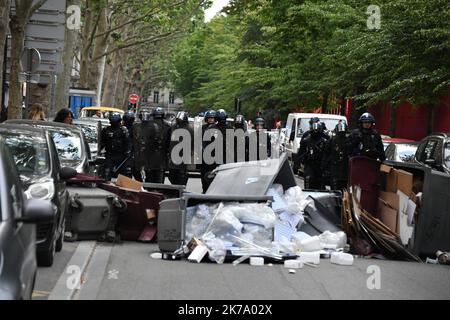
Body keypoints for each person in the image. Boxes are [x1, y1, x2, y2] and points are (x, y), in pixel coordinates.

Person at [134, 107, 171, 183]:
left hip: (151, 155)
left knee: (150, 179)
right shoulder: (167, 126)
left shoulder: (147, 125)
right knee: (158, 180)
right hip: (160, 155)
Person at [100, 112, 132, 180]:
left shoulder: (123, 130)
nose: (114, 123)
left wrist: (128, 151)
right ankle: (106, 182)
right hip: (109, 154)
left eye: (115, 121)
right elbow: (102, 142)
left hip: (121, 155)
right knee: (107, 171)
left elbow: (128, 142)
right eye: (112, 121)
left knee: (125, 173)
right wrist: (99, 151)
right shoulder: (106, 130)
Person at [298, 121, 328, 189]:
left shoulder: (324, 141)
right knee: (309, 180)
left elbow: (327, 154)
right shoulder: (306, 141)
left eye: (317, 131)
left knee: (320, 183)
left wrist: (326, 165)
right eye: (314, 131)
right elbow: (301, 152)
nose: (315, 133)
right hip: (309, 164)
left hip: (320, 166)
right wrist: (300, 161)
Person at [322, 121, 350, 191]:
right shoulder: (332, 140)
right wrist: (325, 165)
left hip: (345, 167)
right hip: (335, 167)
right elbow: (326, 153)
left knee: (344, 187)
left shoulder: (349, 140)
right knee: (334, 187)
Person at [168, 111, 192, 185]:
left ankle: (181, 189)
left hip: (184, 155)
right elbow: (168, 139)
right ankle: (175, 188)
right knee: (172, 175)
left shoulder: (190, 129)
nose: (179, 121)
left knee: (182, 175)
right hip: (173, 154)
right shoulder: (173, 127)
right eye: (178, 119)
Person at [201, 110, 219, 193]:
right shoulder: (203, 128)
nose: (211, 120)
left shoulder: (217, 128)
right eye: (209, 118)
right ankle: (204, 191)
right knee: (203, 176)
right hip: (204, 156)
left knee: (212, 176)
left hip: (214, 156)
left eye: (212, 118)